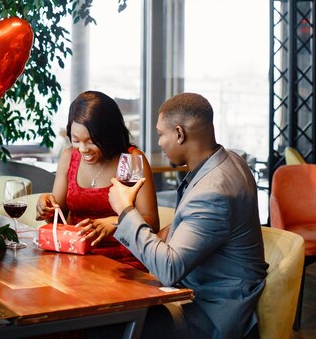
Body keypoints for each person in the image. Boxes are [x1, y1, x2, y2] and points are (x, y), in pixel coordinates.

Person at [107, 92, 268, 339]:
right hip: (203, 294)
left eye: (161, 134)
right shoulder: (230, 161)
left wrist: (125, 210)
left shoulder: (213, 192)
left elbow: (169, 270)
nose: (159, 142)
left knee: (107, 324)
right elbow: (190, 225)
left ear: (180, 133)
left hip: (212, 314)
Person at [35, 90, 159, 268]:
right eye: (76, 140)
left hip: (123, 263)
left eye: (92, 141)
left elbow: (152, 222)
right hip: (76, 258)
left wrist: (118, 221)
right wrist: (46, 207)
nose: (83, 149)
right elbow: (58, 219)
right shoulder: (69, 157)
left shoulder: (129, 160)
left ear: (109, 134)